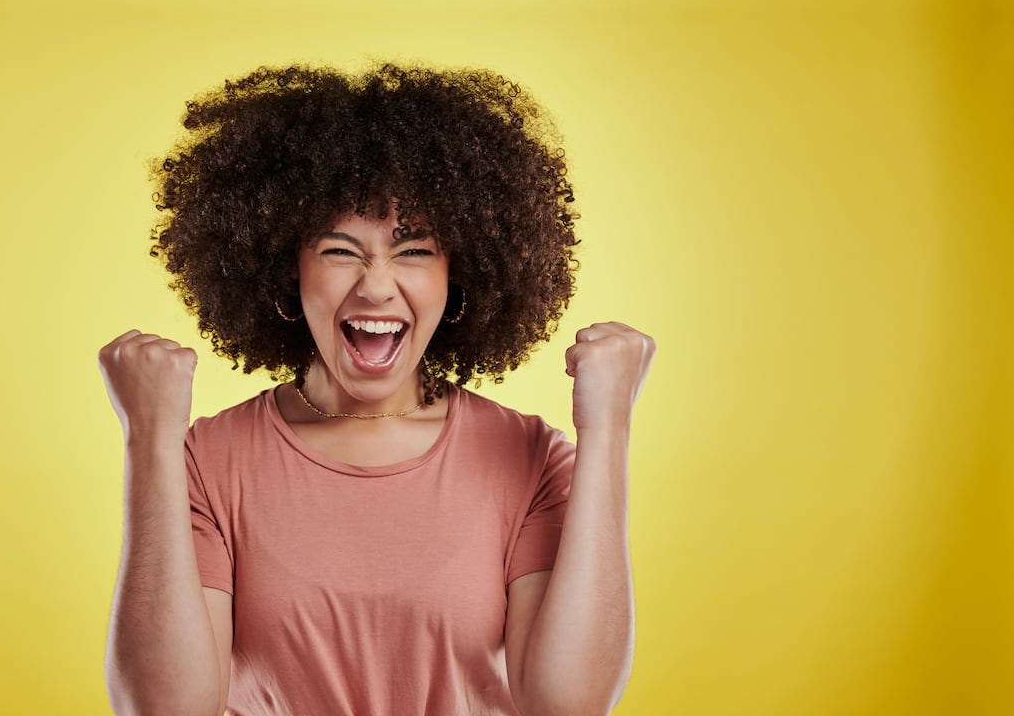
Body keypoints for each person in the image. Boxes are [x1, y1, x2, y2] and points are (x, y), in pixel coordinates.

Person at [98, 63, 656, 716]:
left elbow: (569, 702)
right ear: (286, 269)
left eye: (414, 252)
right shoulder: (207, 460)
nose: (376, 286)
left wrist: (609, 430)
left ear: (460, 275)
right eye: (340, 251)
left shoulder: (526, 457)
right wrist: (149, 439)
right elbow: (167, 708)